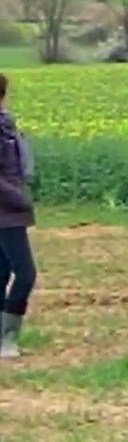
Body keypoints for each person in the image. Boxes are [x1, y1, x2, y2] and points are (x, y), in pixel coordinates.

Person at [0, 73, 37, 359]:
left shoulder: (6, 126)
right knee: (25, 274)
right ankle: (8, 339)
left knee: (2, 272)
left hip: (9, 210)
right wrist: (19, 199)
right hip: (6, 212)